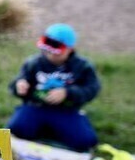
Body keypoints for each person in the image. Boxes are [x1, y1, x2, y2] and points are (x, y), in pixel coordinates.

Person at [8, 23, 101, 152]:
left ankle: (61, 127)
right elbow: (16, 83)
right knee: (17, 128)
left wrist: (68, 93)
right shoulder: (33, 63)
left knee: (86, 141)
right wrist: (19, 86)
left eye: (56, 52)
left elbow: (92, 89)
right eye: (46, 50)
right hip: (36, 108)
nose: (49, 55)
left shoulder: (82, 67)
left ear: (70, 49)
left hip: (66, 111)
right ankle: (45, 128)